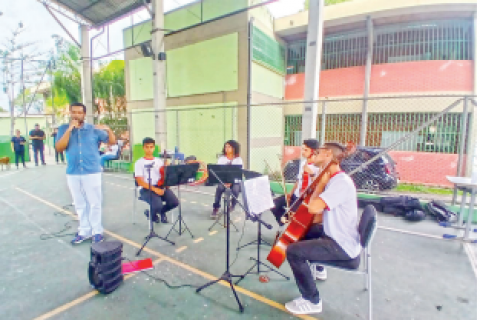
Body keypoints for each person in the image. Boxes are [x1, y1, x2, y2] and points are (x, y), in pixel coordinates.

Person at [284, 142, 361, 315]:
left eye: (317, 152)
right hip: (335, 235)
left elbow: (314, 208)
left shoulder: (340, 182)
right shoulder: (334, 179)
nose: (313, 155)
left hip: (341, 245)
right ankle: (317, 269)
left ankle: (312, 300)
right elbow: (319, 217)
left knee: (293, 251)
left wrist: (320, 184)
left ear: (327, 155)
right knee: (301, 233)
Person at [55, 102, 116, 245]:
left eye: (79, 112)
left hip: (92, 171)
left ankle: (97, 231)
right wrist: (69, 130)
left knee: (94, 202)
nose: (76, 115)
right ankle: (84, 230)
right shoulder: (64, 129)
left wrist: (107, 129)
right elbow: (59, 148)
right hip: (73, 172)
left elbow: (112, 142)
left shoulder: (93, 129)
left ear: (84, 114)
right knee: (79, 203)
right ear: (70, 113)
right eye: (74, 112)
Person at [271, 139, 320, 225]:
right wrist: (290, 193)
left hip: (305, 198)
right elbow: (298, 180)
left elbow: (319, 185)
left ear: (314, 151)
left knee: (293, 215)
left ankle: (290, 226)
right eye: (303, 149)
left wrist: (311, 174)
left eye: (306, 150)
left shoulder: (318, 166)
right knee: (274, 204)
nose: (303, 152)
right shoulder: (303, 163)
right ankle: (283, 225)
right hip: (296, 195)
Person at [134, 137, 179, 224]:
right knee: (157, 205)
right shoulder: (139, 163)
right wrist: (155, 190)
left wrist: (167, 170)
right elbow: (140, 182)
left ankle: (158, 213)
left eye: (151, 147)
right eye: (147, 147)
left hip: (160, 186)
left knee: (174, 202)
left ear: (154, 148)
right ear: (143, 148)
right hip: (145, 188)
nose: (149, 149)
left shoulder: (159, 161)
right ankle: (153, 215)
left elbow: (163, 177)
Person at [211, 140, 243, 219]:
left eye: (229, 147)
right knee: (219, 188)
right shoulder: (222, 159)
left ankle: (232, 205)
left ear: (234, 148)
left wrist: (231, 182)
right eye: (226, 146)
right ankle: (216, 207)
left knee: (236, 189)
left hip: (234, 181)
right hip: (223, 180)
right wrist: (225, 181)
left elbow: (238, 173)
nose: (227, 148)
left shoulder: (238, 159)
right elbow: (219, 172)